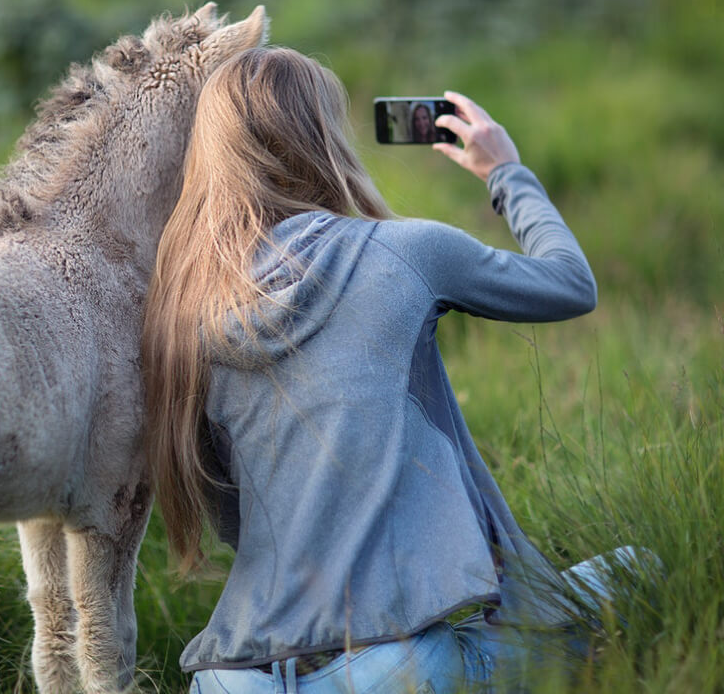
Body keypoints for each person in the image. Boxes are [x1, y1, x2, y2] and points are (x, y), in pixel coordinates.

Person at [141, 47, 654, 693]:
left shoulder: (185, 310)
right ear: (321, 138)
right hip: (394, 669)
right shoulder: (407, 251)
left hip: (233, 680)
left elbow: (228, 515)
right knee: (641, 569)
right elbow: (570, 284)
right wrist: (507, 171)